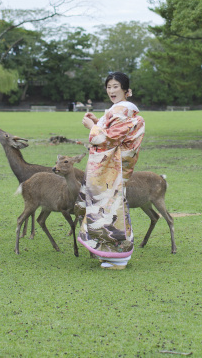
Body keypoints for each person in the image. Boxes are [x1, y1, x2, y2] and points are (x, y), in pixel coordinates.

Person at [77, 72, 145, 270]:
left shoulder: (122, 111)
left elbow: (105, 140)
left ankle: (119, 257)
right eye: (109, 87)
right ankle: (111, 254)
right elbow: (115, 134)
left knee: (111, 210)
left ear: (127, 90)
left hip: (112, 171)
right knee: (110, 209)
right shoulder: (120, 111)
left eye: (116, 86)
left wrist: (92, 126)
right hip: (114, 169)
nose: (111, 90)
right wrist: (99, 121)